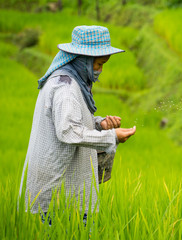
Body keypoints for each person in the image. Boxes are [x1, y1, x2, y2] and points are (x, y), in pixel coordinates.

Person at [18, 26, 136, 220]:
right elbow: (69, 131)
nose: (100, 70)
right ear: (82, 60)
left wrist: (100, 124)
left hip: (63, 183)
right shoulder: (65, 88)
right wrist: (112, 136)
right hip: (57, 185)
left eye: (103, 64)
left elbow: (72, 119)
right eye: (98, 64)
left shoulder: (73, 81)